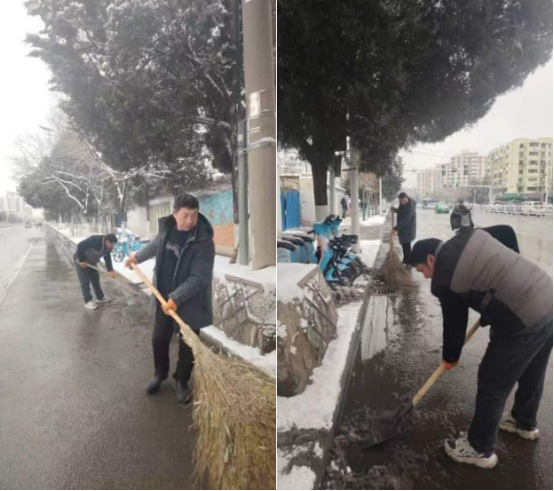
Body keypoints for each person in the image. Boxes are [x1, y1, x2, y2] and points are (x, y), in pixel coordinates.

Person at [410, 229, 553, 469]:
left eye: (421, 269)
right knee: (532, 369)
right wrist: (502, 287)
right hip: (547, 298)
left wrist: (450, 357)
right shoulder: (469, 234)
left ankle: (479, 448)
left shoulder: (443, 279)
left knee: (492, 380)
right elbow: (506, 233)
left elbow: (455, 322)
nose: (425, 276)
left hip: (521, 317)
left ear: (431, 259)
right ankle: (523, 421)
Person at [125, 193, 215, 403]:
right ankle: (160, 373)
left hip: (190, 301)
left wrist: (176, 297)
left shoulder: (203, 241)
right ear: (174, 213)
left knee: (187, 345)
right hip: (163, 298)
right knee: (159, 338)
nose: (190, 220)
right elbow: (154, 246)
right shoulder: (167, 229)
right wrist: (136, 257)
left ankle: (181, 380)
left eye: (194, 215)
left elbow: (200, 277)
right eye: (185, 215)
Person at [74, 234, 118, 310]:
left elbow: (107, 257)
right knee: (85, 281)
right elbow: (80, 245)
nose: (112, 246)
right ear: (107, 242)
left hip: (91, 261)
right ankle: (88, 301)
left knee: (95, 279)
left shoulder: (108, 247)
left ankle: (100, 297)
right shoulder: (94, 239)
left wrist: (110, 270)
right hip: (81, 261)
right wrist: (82, 260)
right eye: (112, 244)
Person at [391, 192, 417, 266]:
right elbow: (402, 212)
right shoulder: (404, 204)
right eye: (401, 201)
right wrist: (396, 210)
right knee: (404, 245)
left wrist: (395, 228)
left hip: (408, 229)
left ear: (407, 198)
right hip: (403, 229)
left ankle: (409, 263)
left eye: (403, 200)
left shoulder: (410, 207)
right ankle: (405, 260)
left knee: (407, 246)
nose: (402, 202)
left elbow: (406, 220)